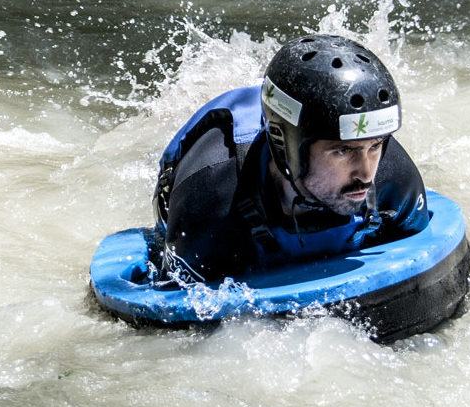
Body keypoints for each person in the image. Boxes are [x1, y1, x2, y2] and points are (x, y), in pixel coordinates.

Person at [152, 34, 429, 284]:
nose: (366, 173)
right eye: (343, 151)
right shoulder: (210, 200)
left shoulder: (393, 176)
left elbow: (424, 260)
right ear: (289, 149)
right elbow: (175, 313)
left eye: (375, 146)